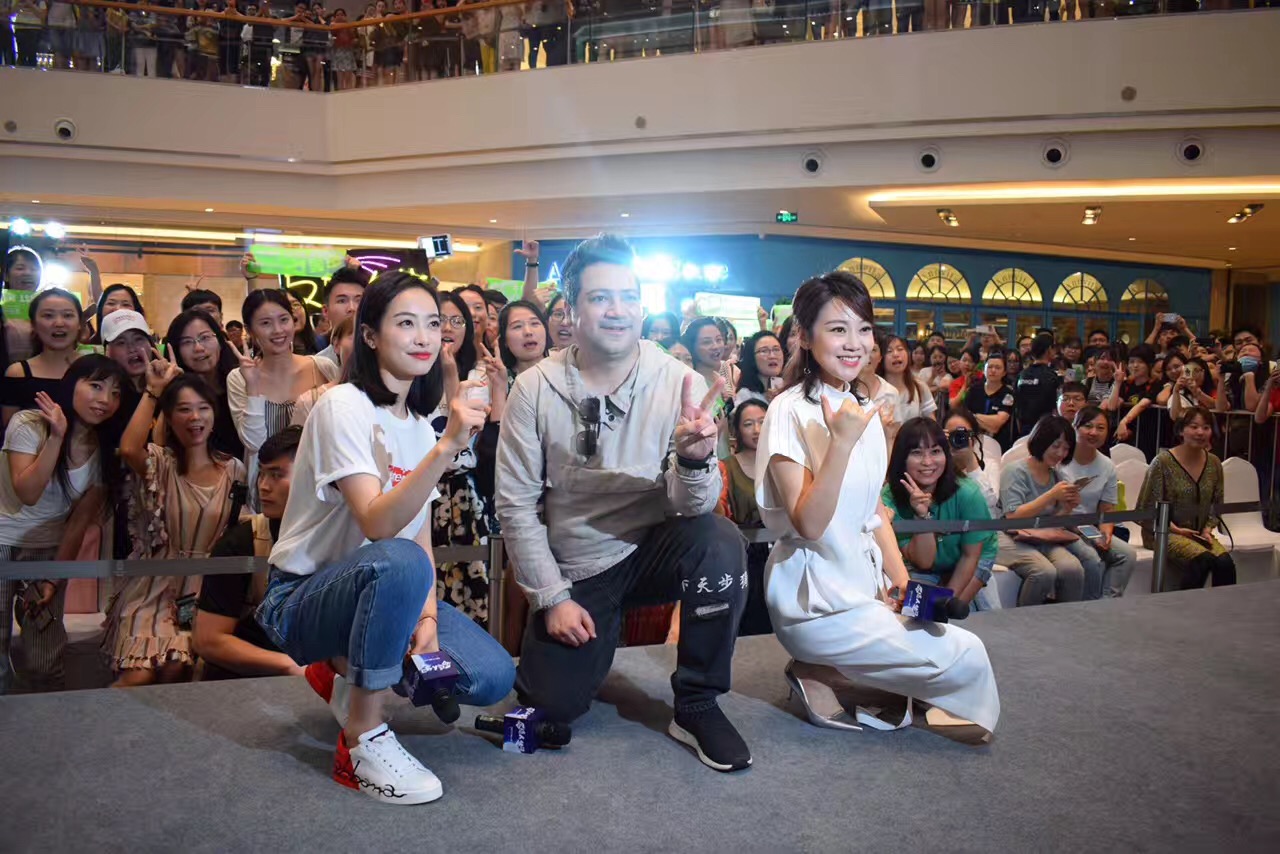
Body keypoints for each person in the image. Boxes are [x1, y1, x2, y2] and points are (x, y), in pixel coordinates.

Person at [495, 234, 752, 772]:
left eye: (629, 297)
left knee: (719, 541)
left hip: (656, 547)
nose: (618, 310)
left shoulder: (678, 381)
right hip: (579, 566)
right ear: (572, 309)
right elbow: (516, 506)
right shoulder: (534, 388)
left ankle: (698, 702)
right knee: (549, 706)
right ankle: (591, 640)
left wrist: (695, 461)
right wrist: (552, 599)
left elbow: (694, 508)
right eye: (600, 298)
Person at [258, 272, 514, 804]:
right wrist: (447, 447)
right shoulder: (342, 405)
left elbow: (420, 535)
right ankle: (362, 740)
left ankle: (347, 671)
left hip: (387, 590)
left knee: (490, 677)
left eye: (433, 324)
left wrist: (427, 619)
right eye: (406, 323)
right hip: (303, 598)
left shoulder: (417, 424)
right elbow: (378, 526)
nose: (424, 337)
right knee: (394, 559)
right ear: (371, 335)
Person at [755, 271, 998, 742]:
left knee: (944, 637)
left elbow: (874, 513)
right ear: (804, 336)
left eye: (864, 329)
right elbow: (809, 524)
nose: (855, 344)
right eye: (837, 329)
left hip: (866, 585)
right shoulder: (789, 410)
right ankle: (813, 664)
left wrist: (904, 585)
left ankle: (824, 672)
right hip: (815, 601)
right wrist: (842, 443)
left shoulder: (860, 406)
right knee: (966, 654)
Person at [107, 362, 247, 686]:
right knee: (139, 675)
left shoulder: (234, 470)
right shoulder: (161, 462)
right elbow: (128, 448)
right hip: (153, 587)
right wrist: (153, 390)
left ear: (214, 415)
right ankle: (91, 718)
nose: (195, 417)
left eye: (203, 408)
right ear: (169, 418)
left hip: (203, 592)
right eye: (184, 409)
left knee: (176, 669)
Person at [1, 356, 126, 693]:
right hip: (3, 541)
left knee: (45, 660)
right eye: (96, 386)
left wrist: (54, 579)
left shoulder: (103, 451)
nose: (105, 399)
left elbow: (78, 524)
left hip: (48, 550)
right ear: (71, 383)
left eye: (115, 393)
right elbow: (27, 492)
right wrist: (56, 437)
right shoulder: (29, 423)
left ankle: (49, 721)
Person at [194, 426, 306, 681]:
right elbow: (208, 640)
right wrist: (288, 665)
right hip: (245, 682)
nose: (264, 486)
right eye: (262, 474)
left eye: (276, 475)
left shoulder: (338, 539)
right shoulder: (241, 543)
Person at [429, 290, 505, 626]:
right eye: (440, 320)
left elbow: (471, 445)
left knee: (470, 601)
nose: (448, 327)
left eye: (457, 320)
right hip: (420, 493)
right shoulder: (409, 378)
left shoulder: (480, 377)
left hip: (465, 496)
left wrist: (454, 379)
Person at [227, 289, 339, 507]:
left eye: (284, 320)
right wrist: (253, 386)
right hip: (268, 493)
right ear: (250, 330)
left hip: (318, 490)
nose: (278, 330)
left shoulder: (322, 367)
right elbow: (254, 443)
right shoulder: (239, 378)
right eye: (266, 323)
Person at [883, 416, 998, 609]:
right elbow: (924, 562)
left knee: (950, 611)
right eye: (917, 453)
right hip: (924, 565)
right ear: (902, 458)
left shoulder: (968, 493)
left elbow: (970, 556)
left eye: (935, 451)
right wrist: (922, 515)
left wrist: (943, 604)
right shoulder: (890, 498)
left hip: (972, 557)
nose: (928, 462)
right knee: (914, 610)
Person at [995, 415, 1101, 606]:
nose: (1061, 453)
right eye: (1056, 446)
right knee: (1044, 572)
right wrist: (1051, 495)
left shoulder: (1056, 475)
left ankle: (1069, 617)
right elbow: (1012, 516)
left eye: (1066, 448)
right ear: (1041, 441)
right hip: (1009, 535)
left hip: (1042, 536)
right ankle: (1026, 620)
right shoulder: (1015, 471)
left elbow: (1054, 521)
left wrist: (1067, 508)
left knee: (1072, 569)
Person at [1135, 407, 1235, 591]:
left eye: (1206, 427)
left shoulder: (1214, 463)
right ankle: (1185, 605)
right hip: (1163, 533)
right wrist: (1177, 530)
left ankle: (1222, 607)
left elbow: (1216, 503)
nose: (1200, 432)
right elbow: (1146, 509)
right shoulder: (1162, 462)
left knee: (1225, 563)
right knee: (1202, 560)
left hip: (1199, 534)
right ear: (1181, 430)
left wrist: (1207, 529)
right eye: (1194, 427)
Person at [1060, 406, 1137, 598]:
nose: (1093, 432)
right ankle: (1089, 605)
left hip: (1089, 527)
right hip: (1061, 525)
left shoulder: (1107, 466)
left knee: (1127, 555)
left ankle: (1108, 602)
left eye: (1100, 428)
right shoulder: (1060, 460)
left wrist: (1105, 534)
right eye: (1087, 426)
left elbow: (1107, 508)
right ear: (1075, 427)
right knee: (1091, 558)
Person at [715, 400, 772, 636]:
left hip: (781, 554)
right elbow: (719, 515)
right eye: (748, 424)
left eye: (762, 422)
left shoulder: (785, 463)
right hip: (742, 557)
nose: (757, 430)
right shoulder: (727, 468)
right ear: (737, 430)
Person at [164, 309, 245, 461]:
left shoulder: (241, 381)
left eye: (205, 337)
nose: (198, 348)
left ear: (220, 340)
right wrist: (171, 390)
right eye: (187, 342)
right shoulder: (174, 391)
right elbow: (162, 445)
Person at [3, 288, 84, 430]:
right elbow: (10, 434)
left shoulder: (94, 369)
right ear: (33, 324)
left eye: (67, 315)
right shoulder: (18, 373)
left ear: (79, 324)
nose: (59, 323)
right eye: (48, 316)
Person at [1108, 344, 1160, 457]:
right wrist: (1117, 383)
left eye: (1140, 362)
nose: (1135, 366)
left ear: (1149, 365)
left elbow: (1142, 404)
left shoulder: (1155, 384)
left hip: (1146, 435)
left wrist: (1124, 421)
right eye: (1131, 362)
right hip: (1123, 435)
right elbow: (1112, 406)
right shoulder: (1126, 385)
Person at [313, 267, 367, 367]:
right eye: (342, 301)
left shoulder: (387, 358)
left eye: (359, 300)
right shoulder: (317, 367)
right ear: (326, 311)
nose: (352, 308)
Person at [878, 334, 936, 426]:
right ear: (880, 358)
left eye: (900, 349)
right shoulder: (875, 388)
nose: (896, 354)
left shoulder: (919, 386)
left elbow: (932, 424)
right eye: (889, 351)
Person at [964, 351, 1015, 451]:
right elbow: (965, 417)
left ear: (1004, 372)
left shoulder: (1008, 393)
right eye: (990, 367)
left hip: (999, 445)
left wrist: (974, 417)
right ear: (984, 369)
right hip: (973, 442)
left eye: (997, 368)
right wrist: (986, 421)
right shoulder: (974, 390)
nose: (993, 370)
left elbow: (996, 425)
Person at [1014, 333, 1061, 439]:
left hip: (1024, 428)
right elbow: (1055, 407)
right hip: (1046, 428)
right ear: (1049, 349)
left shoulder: (1022, 375)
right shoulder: (1052, 376)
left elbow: (1017, 406)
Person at [496, 299, 549, 381]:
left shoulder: (563, 369)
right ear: (505, 340)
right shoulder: (499, 379)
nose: (528, 332)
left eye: (534, 323)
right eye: (517, 326)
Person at [734, 331, 785, 406]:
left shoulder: (785, 387)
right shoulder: (746, 395)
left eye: (776, 349)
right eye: (764, 351)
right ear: (752, 357)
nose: (772, 356)